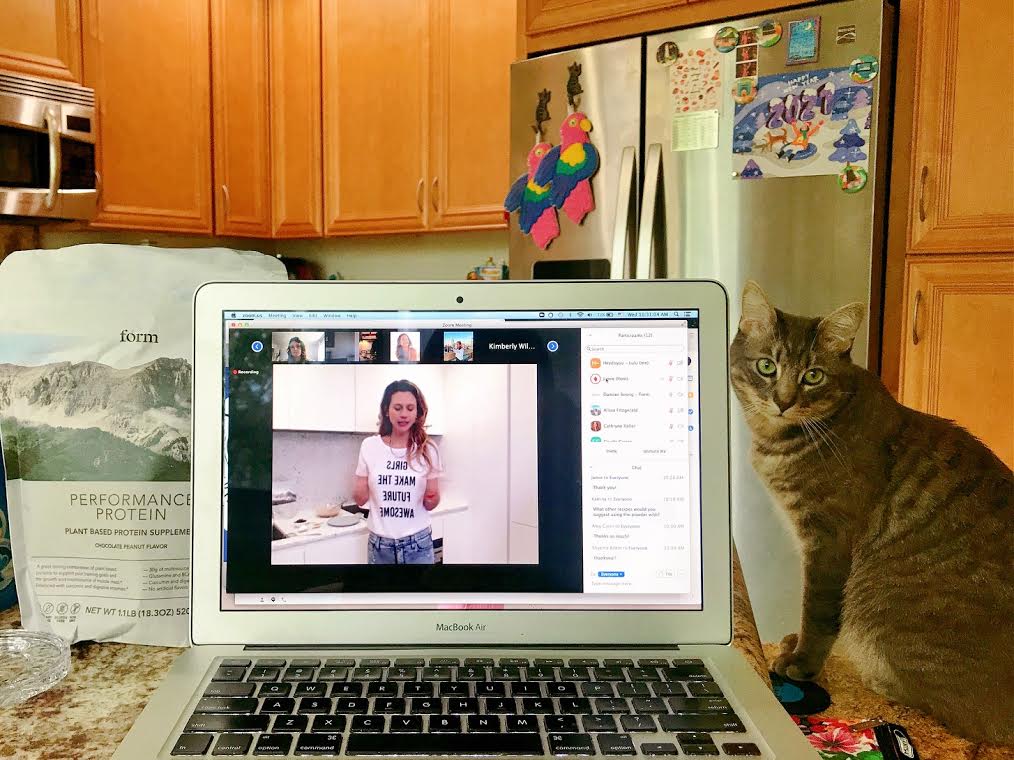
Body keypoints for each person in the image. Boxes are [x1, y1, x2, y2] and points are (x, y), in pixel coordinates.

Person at [352, 380, 441, 564]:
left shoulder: (428, 449)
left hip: (418, 544)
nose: (404, 414)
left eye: (410, 408)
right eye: (398, 408)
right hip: (380, 547)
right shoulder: (369, 446)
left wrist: (433, 498)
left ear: (417, 412)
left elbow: (431, 503)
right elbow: (360, 499)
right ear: (387, 410)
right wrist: (359, 488)